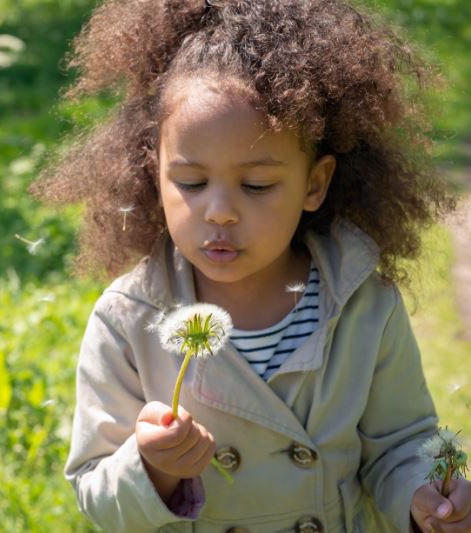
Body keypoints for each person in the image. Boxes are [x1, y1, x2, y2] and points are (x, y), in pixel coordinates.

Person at [31, 0, 468, 531]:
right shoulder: (128, 319)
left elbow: (399, 444)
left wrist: (422, 498)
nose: (219, 211)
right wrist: (152, 468)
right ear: (155, 173)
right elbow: (96, 493)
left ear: (314, 183)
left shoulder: (362, 305)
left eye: (257, 185)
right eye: (190, 182)